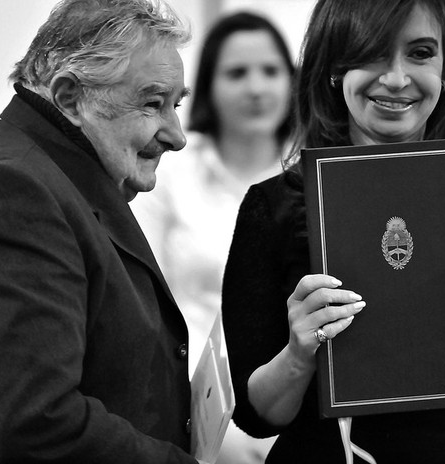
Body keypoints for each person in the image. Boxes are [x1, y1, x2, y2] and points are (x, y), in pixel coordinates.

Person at [220, 0, 445, 463]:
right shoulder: (275, 208)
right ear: (333, 68)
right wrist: (298, 354)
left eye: (421, 53)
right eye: (371, 54)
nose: (397, 78)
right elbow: (256, 415)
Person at [0, 0, 200, 462]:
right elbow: (38, 421)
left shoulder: (49, 169)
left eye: (176, 105)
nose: (176, 134)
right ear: (70, 98)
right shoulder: (13, 188)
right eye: (153, 104)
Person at [130, 10, 294, 464]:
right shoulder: (169, 168)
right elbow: (141, 296)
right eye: (237, 73)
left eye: (271, 71)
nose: (257, 87)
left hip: (291, 400)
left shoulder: (312, 177)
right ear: (208, 85)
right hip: (183, 403)